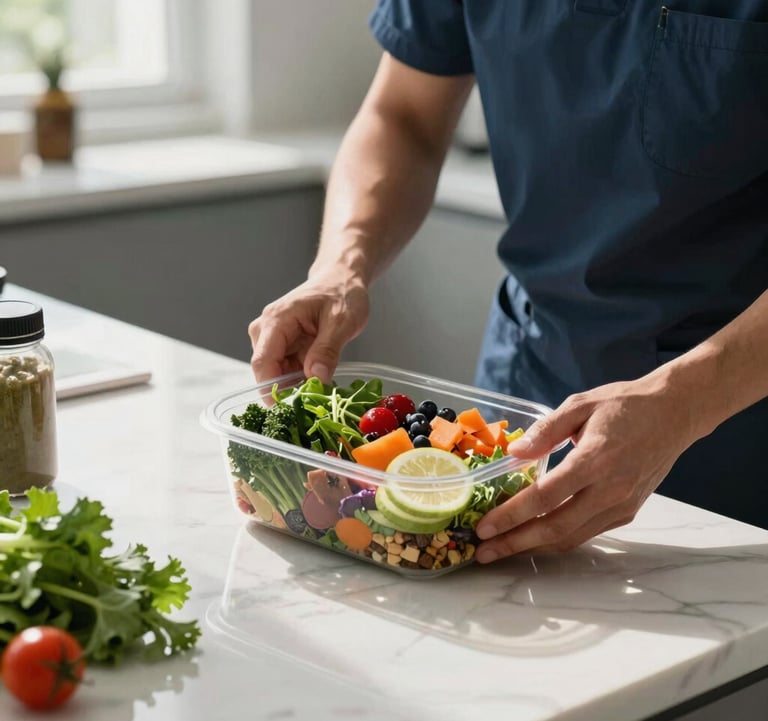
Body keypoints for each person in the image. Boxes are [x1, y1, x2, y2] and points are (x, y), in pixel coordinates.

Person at [248, 1, 768, 564]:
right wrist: (340, 267)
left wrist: (684, 402)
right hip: (525, 388)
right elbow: (404, 115)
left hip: (737, 426)